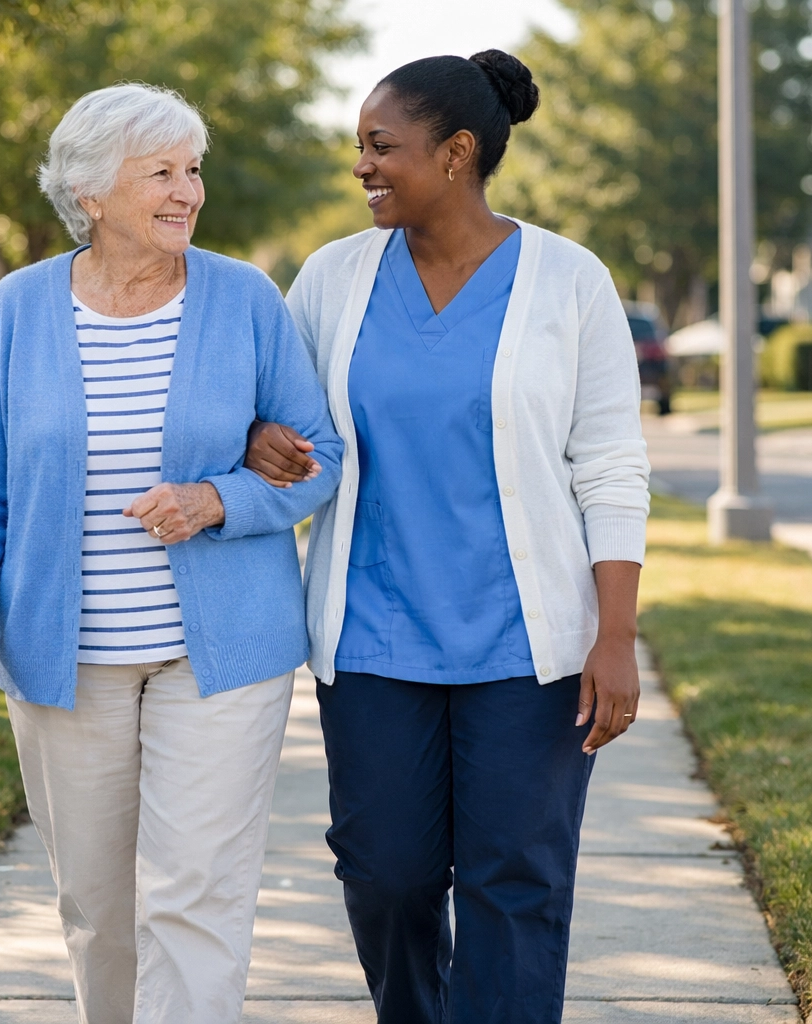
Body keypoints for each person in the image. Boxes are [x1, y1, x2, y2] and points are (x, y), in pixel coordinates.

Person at [245, 51, 651, 1024]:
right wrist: (260, 435)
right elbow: (279, 411)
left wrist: (615, 633)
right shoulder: (333, 278)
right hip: (374, 641)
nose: (363, 166)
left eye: (381, 146)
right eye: (360, 147)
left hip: (526, 648)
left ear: (457, 152)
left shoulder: (570, 281)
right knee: (385, 875)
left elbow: (609, 464)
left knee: (516, 880)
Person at [0, 83, 343, 1024]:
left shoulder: (243, 297)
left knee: (195, 897)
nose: (188, 191)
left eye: (193, 170)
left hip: (221, 658)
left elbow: (320, 456)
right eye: (160, 172)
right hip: (67, 660)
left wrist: (217, 500)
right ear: (90, 193)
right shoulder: (19, 308)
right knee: (97, 906)